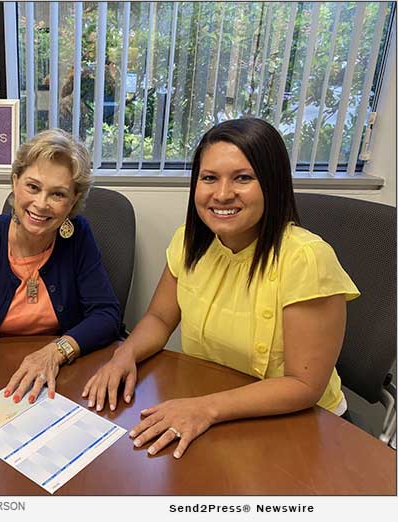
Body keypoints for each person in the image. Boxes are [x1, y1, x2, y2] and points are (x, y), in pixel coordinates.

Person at [83, 118, 359, 458]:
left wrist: (205, 409)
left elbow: (304, 386)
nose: (223, 193)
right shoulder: (189, 241)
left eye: (243, 178)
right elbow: (158, 317)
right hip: (213, 408)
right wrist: (123, 356)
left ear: (271, 184)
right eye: (209, 178)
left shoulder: (307, 258)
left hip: (299, 423)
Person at [0, 128, 120, 424]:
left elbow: (107, 314)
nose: (41, 204)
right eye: (33, 187)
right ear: (15, 182)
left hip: (63, 378)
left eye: (58, 194)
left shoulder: (79, 236)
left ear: (73, 200)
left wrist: (55, 352)